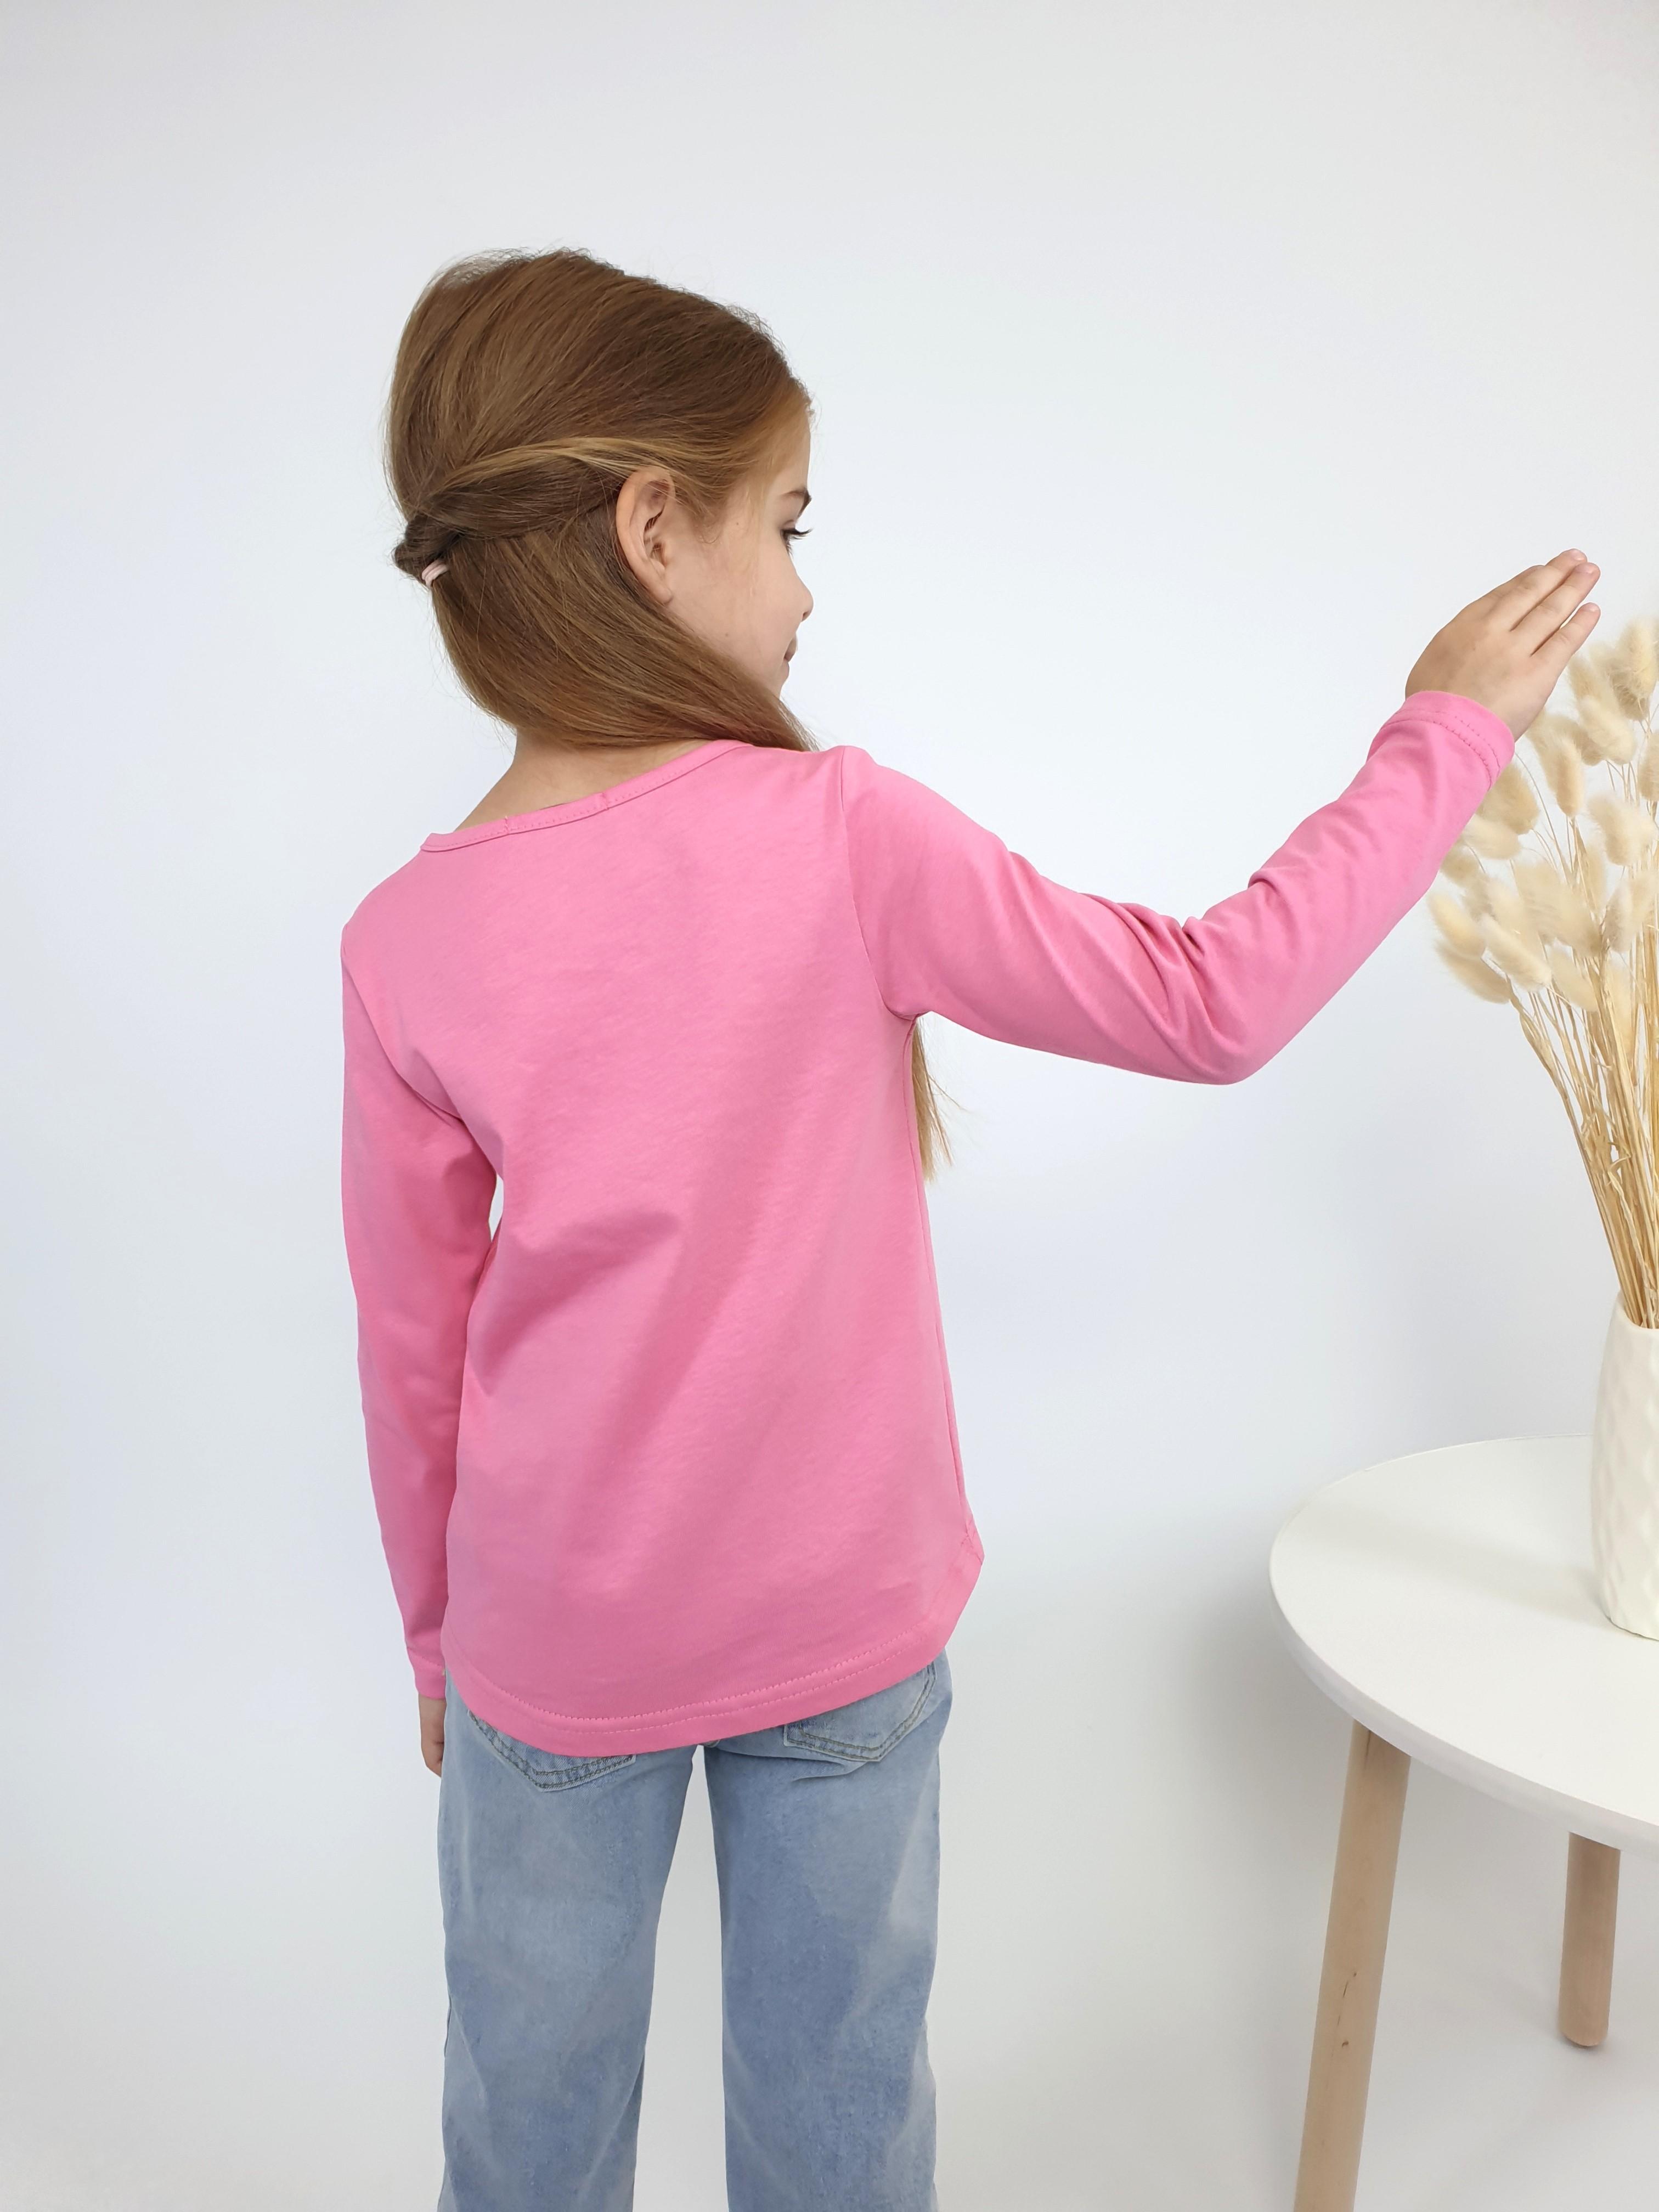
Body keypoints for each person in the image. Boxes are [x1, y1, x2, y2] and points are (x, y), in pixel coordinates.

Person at [338, 244, 1599, 2212]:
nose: (806, 588)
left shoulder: (408, 936)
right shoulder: (838, 833)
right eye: (787, 523)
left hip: (549, 1653)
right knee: (841, 2135)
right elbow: (1212, 1001)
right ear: (654, 530)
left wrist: (439, 1639)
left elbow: (414, 1346)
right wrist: (1442, 734)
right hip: (837, 1634)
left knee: (525, 2134)